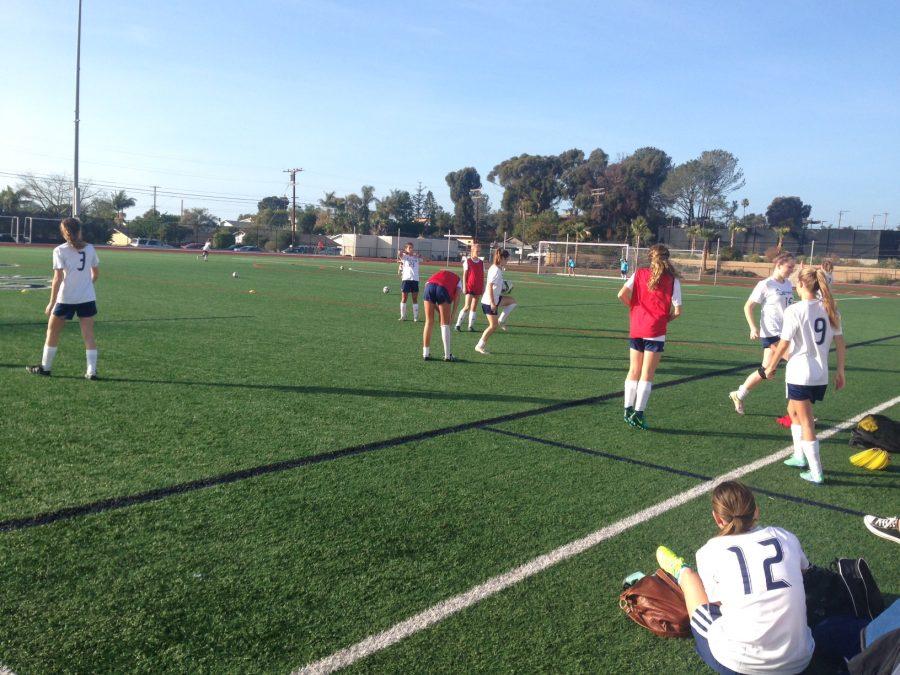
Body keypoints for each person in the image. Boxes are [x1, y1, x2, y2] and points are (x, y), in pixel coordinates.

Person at [655, 481, 814, 675]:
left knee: (698, 598)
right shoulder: (785, 536)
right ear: (756, 511)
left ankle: (680, 570)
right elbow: (805, 572)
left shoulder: (709, 551)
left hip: (742, 666)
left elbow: (715, 604)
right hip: (801, 659)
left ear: (718, 519)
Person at [764, 266, 845, 484]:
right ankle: (800, 456)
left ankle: (816, 471)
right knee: (793, 410)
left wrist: (770, 366)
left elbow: (783, 344)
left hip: (800, 373)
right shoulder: (830, 308)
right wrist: (840, 370)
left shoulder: (796, 310)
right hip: (820, 373)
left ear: (801, 284)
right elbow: (840, 342)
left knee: (806, 420)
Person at [27, 217, 101, 380]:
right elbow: (95, 274)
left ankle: (46, 368)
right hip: (87, 298)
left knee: (52, 332)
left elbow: (57, 279)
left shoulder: (60, 250)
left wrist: (51, 303)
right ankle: (92, 371)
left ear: (64, 232)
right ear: (79, 231)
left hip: (65, 299)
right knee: (88, 335)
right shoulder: (90, 248)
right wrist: (86, 285)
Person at [617, 244, 682, 430]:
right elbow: (678, 311)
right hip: (656, 330)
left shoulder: (639, 274)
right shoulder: (672, 280)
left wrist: (634, 308)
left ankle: (627, 409)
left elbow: (621, 294)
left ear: (650, 257)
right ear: (667, 258)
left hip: (637, 327)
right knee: (647, 374)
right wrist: (664, 319)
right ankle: (638, 414)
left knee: (633, 370)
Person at [728, 253, 796, 415]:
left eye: (793, 267)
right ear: (779, 265)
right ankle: (797, 411)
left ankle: (739, 394)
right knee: (795, 362)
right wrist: (753, 327)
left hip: (786, 332)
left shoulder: (788, 284)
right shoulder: (766, 284)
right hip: (772, 333)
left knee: (765, 370)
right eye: (789, 267)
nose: (791, 270)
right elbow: (748, 307)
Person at [475, 249, 517, 355]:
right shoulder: (496, 270)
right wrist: (493, 303)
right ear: (502, 258)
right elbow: (489, 286)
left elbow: (495, 285)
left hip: (496, 298)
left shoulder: (497, 268)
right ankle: (479, 346)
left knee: (512, 302)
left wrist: (503, 287)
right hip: (489, 302)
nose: (507, 261)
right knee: (493, 326)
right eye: (506, 260)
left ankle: (501, 320)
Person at [422, 269, 463, 361]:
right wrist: (453, 314)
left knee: (428, 322)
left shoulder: (437, 274)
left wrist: (439, 310)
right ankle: (447, 356)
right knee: (445, 324)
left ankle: (426, 353)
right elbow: (457, 296)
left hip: (428, 287)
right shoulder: (459, 281)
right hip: (443, 289)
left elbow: (427, 286)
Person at [455, 242, 485, 332]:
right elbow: (465, 275)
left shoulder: (481, 263)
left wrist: (483, 286)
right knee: (467, 306)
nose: (478, 253)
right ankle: (458, 325)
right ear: (472, 251)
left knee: (474, 307)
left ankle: (470, 326)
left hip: (478, 287)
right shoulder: (468, 261)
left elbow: (482, 275)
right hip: (470, 286)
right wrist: (464, 286)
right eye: (477, 251)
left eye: (479, 251)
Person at [397, 242, 421, 322]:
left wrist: (419, 255)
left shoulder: (416, 257)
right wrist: (405, 252)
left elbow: (427, 259)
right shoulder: (404, 257)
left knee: (415, 298)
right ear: (406, 249)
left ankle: (415, 317)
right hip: (406, 279)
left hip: (415, 279)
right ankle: (403, 316)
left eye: (412, 247)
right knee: (404, 298)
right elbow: (399, 253)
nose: (411, 249)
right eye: (409, 248)